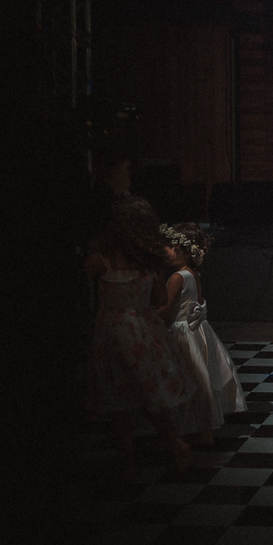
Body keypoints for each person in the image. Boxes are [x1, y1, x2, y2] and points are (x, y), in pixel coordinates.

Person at [85, 196, 194, 480]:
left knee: (120, 398)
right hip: (141, 331)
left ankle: (131, 462)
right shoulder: (146, 265)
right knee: (140, 394)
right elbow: (159, 300)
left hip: (112, 330)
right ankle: (170, 446)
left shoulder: (101, 261)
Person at [156, 222, 247, 446]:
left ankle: (186, 428)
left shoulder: (177, 277)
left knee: (186, 380)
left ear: (183, 249)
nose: (165, 251)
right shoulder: (192, 273)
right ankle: (202, 428)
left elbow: (168, 311)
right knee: (198, 379)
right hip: (196, 332)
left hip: (182, 333)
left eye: (169, 247)